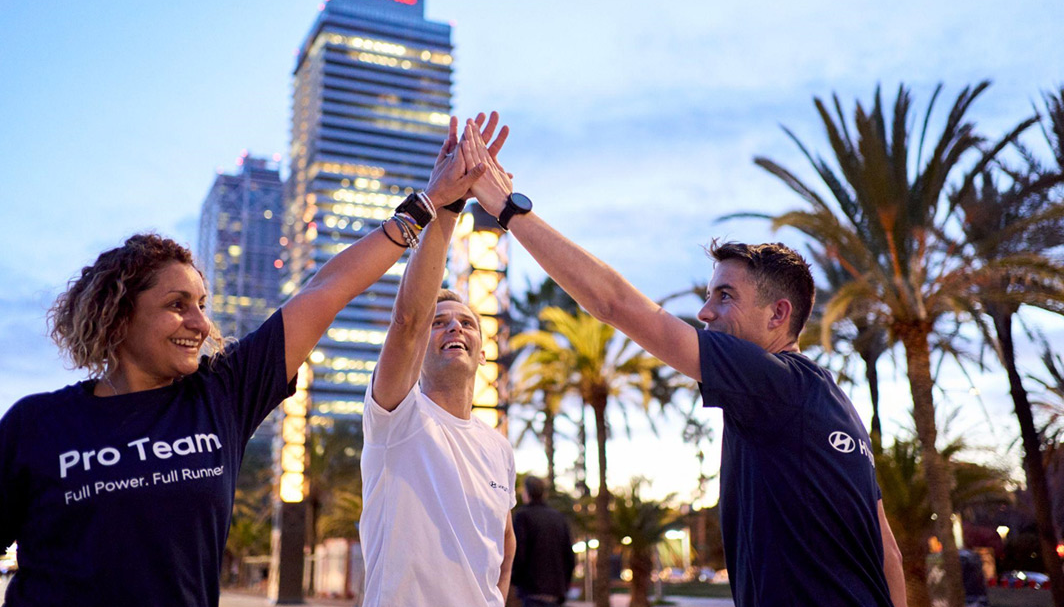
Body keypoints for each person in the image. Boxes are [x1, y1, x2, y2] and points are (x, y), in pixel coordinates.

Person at [0, 123, 475, 607]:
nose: (200, 323)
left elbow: (326, 290)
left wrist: (427, 205)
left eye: (202, 304)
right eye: (177, 304)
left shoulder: (222, 395)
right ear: (118, 314)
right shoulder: (36, 425)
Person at [462, 127, 908, 607]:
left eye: (725, 296)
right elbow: (888, 553)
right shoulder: (833, 404)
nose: (705, 313)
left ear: (778, 314)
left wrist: (508, 210)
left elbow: (615, 304)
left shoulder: (771, 382)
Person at [360, 114, 517, 607]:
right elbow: (408, 318)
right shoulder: (396, 415)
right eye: (441, 321)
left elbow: (505, 550)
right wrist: (447, 206)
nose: (455, 327)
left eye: (468, 323)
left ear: (483, 350)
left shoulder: (498, 449)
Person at [512, 475, 576, 607]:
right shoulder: (559, 518)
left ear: (527, 493)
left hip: (533, 592)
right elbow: (569, 557)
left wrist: (514, 579)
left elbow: (519, 554)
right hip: (556, 594)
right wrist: (564, 585)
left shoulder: (523, 516)